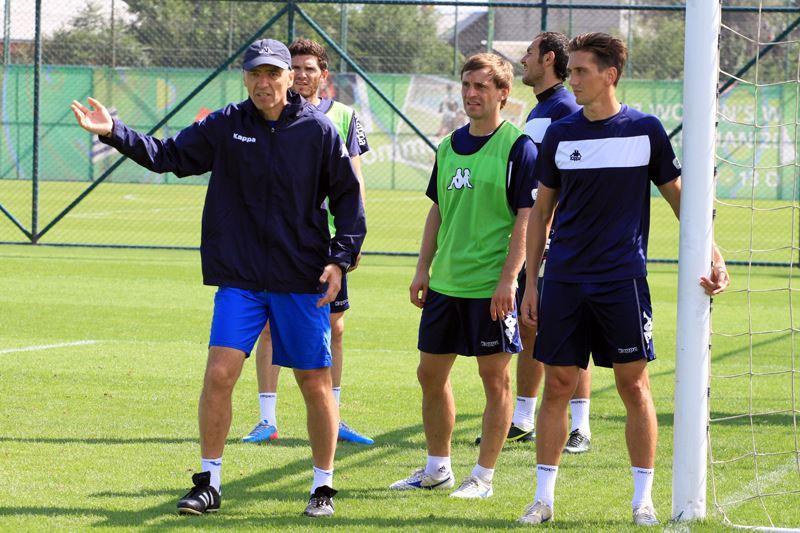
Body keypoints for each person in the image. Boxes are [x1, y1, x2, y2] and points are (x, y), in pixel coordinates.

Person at [71, 38, 366, 518]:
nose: (263, 83)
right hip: (241, 278)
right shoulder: (227, 124)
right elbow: (168, 155)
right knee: (220, 373)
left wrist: (340, 259)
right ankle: (209, 483)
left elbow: (349, 201)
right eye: (255, 74)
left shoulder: (318, 131)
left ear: (289, 77)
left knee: (314, 382)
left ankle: (322, 486)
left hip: (300, 278)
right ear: (244, 77)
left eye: (272, 73)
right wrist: (114, 133)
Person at [516, 32, 729, 526]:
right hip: (565, 281)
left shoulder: (646, 130)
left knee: (634, 387)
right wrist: (531, 282)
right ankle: (542, 500)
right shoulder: (561, 134)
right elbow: (541, 212)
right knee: (558, 385)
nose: (573, 80)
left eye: (581, 71)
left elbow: (681, 201)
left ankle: (642, 501)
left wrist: (714, 254)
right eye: (571, 71)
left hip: (622, 281)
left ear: (610, 75)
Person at [390, 53, 538, 499]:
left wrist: (509, 279)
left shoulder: (518, 147)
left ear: (503, 94)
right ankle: (437, 469)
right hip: (445, 284)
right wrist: (423, 268)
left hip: (490, 288)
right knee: (429, 375)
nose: (471, 94)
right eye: (466, 85)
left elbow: (527, 219)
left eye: (481, 87)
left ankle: (483, 477)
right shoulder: (449, 145)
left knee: (496, 381)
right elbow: (438, 210)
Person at [242, 38, 373, 447]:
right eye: (294, 67)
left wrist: (351, 243)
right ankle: (267, 419)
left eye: (309, 68)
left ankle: (333, 416)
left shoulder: (343, 117)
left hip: (328, 244)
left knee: (334, 326)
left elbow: (354, 182)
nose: (301, 74)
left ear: (323, 75)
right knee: (268, 325)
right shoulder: (266, 115)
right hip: (281, 243)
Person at [474, 31, 590, 450]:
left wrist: (552, 229)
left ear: (548, 59)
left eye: (529, 53)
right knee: (531, 322)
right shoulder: (542, 109)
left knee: (567, 329)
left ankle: (580, 426)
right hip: (538, 237)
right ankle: (523, 417)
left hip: (561, 241)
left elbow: (568, 179)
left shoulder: (565, 108)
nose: (523, 59)